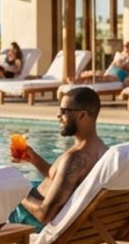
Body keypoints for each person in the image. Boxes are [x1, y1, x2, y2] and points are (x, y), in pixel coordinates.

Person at [6, 85, 107, 232]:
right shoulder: (100, 148)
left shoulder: (76, 157)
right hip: (35, 207)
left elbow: (44, 214)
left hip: (27, 220)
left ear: (82, 115)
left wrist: (15, 192)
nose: (58, 116)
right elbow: (64, 180)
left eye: (64, 111)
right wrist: (34, 159)